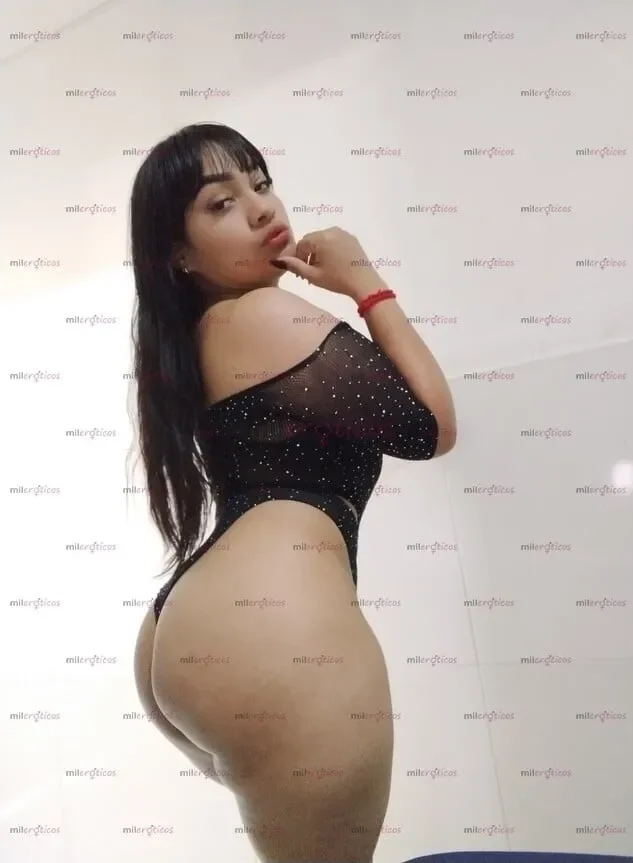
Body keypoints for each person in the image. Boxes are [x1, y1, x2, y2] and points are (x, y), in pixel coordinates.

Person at [131, 122, 457, 863]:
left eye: (260, 182)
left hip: (200, 628)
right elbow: (431, 427)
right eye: (220, 203)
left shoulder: (205, 335)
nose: (260, 207)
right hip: (269, 637)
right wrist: (365, 281)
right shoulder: (261, 315)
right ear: (179, 254)